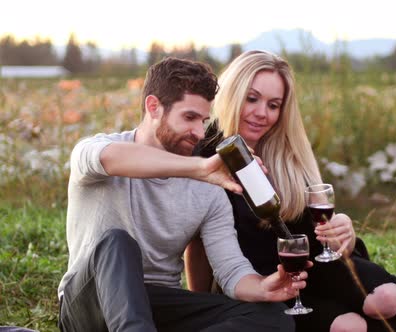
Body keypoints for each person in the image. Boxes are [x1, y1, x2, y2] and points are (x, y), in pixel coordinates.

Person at [191, 50, 396, 332]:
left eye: (274, 105)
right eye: (252, 98)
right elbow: (197, 243)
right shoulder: (206, 159)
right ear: (233, 93)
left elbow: (315, 227)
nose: (263, 114)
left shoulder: (283, 150)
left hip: (317, 265)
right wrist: (202, 303)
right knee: (350, 326)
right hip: (268, 283)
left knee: (387, 299)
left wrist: (344, 229)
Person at [57, 56, 309, 332]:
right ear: (153, 107)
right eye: (189, 117)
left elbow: (231, 270)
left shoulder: (210, 188)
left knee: (276, 319)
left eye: (204, 120)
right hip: (89, 303)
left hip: (158, 307)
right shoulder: (98, 151)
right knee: (117, 242)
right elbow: (111, 159)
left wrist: (263, 287)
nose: (200, 133)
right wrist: (198, 167)